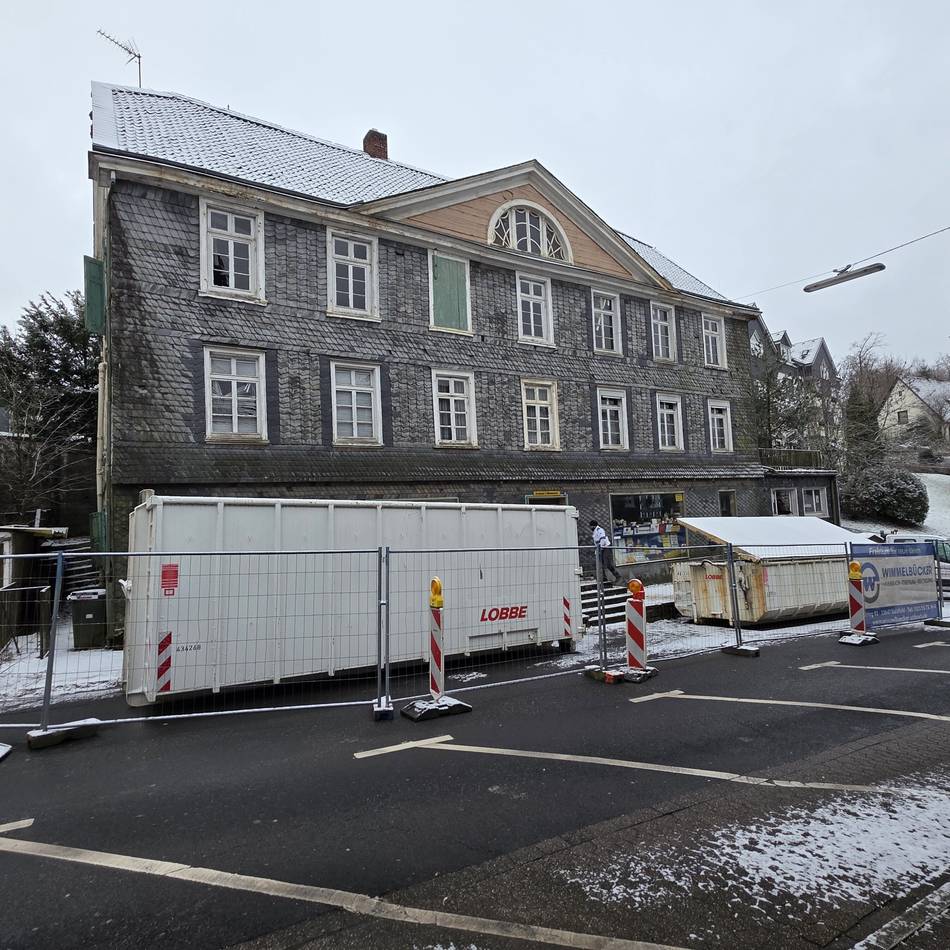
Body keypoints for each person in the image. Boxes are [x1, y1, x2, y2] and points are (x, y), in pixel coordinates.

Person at [589, 519, 619, 585]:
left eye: (591, 526)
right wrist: (597, 550)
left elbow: (602, 539)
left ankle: (617, 576)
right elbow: (597, 542)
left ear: (593, 526)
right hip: (601, 548)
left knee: (607, 564)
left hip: (605, 548)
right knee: (601, 563)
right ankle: (604, 578)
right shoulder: (595, 531)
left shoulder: (600, 530)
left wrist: (600, 549)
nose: (590, 528)